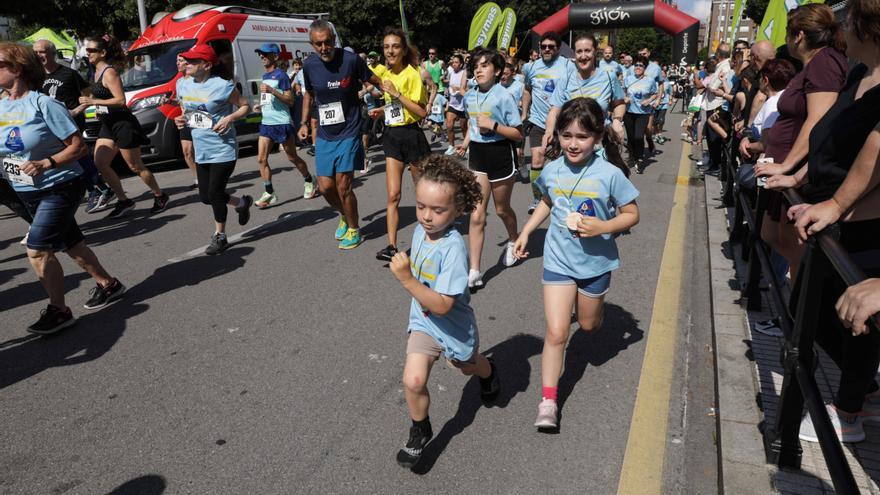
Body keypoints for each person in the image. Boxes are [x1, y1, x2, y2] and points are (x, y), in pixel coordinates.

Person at [765, 0, 880, 443]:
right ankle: (863, 390)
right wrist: (797, 176)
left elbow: (874, 150)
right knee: (813, 310)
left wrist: (836, 206)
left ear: (868, 25)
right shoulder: (857, 74)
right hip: (835, 209)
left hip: (863, 221)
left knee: (855, 319)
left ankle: (849, 410)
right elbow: (826, 135)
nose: (842, 26)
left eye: (849, 19)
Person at [512, 97, 639, 429]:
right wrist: (526, 230)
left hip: (596, 264)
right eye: (567, 135)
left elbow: (632, 214)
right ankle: (548, 402)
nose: (572, 143)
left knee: (587, 325)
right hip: (558, 258)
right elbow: (546, 200)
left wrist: (603, 227)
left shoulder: (610, 175)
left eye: (581, 137)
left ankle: (591, 311)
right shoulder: (552, 169)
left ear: (597, 137)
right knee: (556, 332)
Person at [0, 42, 125, 333]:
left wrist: (48, 162)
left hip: (60, 186)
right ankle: (108, 284)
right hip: (26, 189)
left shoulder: (44, 104)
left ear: (17, 69)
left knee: (38, 249)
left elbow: (79, 147)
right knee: (72, 243)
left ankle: (59, 310)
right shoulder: (2, 105)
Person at [390, 154, 500, 468]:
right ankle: (419, 429)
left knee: (466, 366)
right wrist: (408, 266)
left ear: (459, 210)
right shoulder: (420, 232)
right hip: (424, 322)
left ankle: (488, 371)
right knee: (413, 380)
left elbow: (443, 304)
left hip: (453, 326)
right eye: (421, 206)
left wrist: (407, 278)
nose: (426, 216)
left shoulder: (454, 248)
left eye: (438, 210)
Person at [755, 3, 847, 282]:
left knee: (796, 250)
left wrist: (788, 167)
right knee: (769, 234)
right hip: (784, 168)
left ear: (799, 36)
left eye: (787, 33)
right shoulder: (814, 64)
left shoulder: (825, 63)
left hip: (800, 173)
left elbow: (819, 121)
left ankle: (795, 312)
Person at [299, 20, 382, 249]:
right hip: (326, 133)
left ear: (334, 40)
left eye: (327, 42)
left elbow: (374, 79)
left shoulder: (351, 60)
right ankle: (344, 215)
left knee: (343, 185)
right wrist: (304, 122)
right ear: (311, 44)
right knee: (325, 187)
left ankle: (355, 229)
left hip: (350, 130)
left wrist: (394, 94)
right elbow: (308, 94)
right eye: (318, 44)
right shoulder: (309, 66)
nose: (324, 48)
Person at [453, 48, 523, 288]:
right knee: (476, 213)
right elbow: (473, 125)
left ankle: (514, 240)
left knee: (502, 209)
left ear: (498, 70)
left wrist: (493, 125)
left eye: (485, 65)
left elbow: (518, 134)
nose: (479, 69)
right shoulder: (470, 96)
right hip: (478, 157)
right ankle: (475, 270)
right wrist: (465, 143)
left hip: (501, 154)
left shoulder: (504, 96)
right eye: (476, 66)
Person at [174, 45, 253, 255]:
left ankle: (220, 236)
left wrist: (230, 118)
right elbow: (187, 111)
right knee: (206, 197)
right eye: (187, 60)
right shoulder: (182, 84)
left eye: (192, 61)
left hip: (223, 148)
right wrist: (181, 119)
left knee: (215, 193)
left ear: (207, 65)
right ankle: (241, 203)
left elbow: (246, 106)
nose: (187, 64)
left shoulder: (223, 86)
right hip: (202, 149)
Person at [80, 35, 168, 218]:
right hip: (108, 124)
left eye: (91, 50)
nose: (88, 53)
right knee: (101, 163)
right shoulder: (93, 71)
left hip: (122, 124)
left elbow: (120, 100)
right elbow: (95, 98)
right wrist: (77, 109)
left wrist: (93, 101)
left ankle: (160, 195)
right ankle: (124, 200)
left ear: (102, 53)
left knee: (135, 165)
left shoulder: (109, 72)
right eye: (87, 50)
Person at [367, 28, 431, 261]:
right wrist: (381, 111)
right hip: (392, 136)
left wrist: (396, 94)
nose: (390, 51)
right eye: (386, 47)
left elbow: (420, 111)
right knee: (393, 195)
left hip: (412, 136)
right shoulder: (386, 75)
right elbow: (395, 108)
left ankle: (430, 237)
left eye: (395, 46)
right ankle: (392, 246)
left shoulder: (412, 74)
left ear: (403, 50)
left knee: (422, 195)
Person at [34, 39, 118, 214]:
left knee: (77, 155)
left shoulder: (69, 74)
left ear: (52, 53)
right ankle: (97, 188)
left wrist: (76, 111)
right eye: (35, 52)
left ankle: (98, 189)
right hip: (49, 125)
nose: (38, 55)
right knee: (70, 159)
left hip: (71, 122)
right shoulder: (36, 78)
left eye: (41, 51)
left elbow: (88, 96)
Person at [253, 43, 316, 208]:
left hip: (282, 123)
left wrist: (272, 91)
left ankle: (309, 179)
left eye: (265, 54)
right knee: (261, 159)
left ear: (275, 56)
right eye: (260, 54)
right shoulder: (265, 76)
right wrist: (261, 105)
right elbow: (269, 99)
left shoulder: (281, 76)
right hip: (267, 123)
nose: (261, 57)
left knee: (292, 157)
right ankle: (269, 192)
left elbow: (290, 100)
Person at [522, 31, 575, 214]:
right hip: (538, 120)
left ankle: (562, 197)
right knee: (537, 158)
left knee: (563, 162)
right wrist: (524, 113)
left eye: (550, 47)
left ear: (558, 49)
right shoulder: (531, 67)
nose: (546, 49)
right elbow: (527, 89)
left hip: (562, 123)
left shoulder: (568, 66)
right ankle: (537, 198)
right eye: (543, 46)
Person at [544, 33, 626, 146]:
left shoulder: (608, 77)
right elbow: (554, 110)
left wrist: (617, 120)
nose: (583, 56)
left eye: (587, 50)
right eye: (579, 51)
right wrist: (549, 131)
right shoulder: (566, 78)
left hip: (601, 141)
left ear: (595, 52)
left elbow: (619, 103)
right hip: (573, 143)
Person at [737, 59, 795, 161]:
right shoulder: (789, 98)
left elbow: (765, 144)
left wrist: (746, 146)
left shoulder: (772, 103)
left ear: (766, 81)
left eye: (760, 78)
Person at [623, 54, 659, 173]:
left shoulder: (650, 81)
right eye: (636, 65)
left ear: (645, 68)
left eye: (641, 65)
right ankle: (632, 157)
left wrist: (648, 100)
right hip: (629, 112)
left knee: (638, 136)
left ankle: (639, 158)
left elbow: (656, 93)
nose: (638, 67)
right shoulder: (628, 79)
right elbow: (623, 91)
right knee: (631, 138)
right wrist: (625, 98)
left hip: (643, 113)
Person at [171, 54, 200, 192]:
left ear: (187, 63)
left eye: (181, 61)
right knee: (187, 152)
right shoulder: (179, 82)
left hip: (197, 118)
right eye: (176, 61)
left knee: (200, 150)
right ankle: (198, 180)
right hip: (185, 120)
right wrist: (170, 102)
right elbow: (182, 102)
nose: (177, 63)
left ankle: (207, 176)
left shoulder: (195, 80)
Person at [637, 47, 666, 156]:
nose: (642, 55)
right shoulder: (635, 66)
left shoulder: (655, 68)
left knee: (648, 128)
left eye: (644, 53)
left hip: (650, 101)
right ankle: (637, 152)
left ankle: (649, 139)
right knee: (637, 130)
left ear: (648, 53)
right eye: (640, 54)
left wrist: (659, 98)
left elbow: (661, 83)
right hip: (636, 102)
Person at [443, 54, 468, 155]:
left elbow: (468, 89)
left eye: (456, 62)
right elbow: (448, 84)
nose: (454, 64)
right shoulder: (450, 72)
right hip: (453, 104)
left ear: (461, 64)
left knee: (463, 127)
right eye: (453, 62)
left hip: (463, 105)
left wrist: (458, 89)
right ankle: (451, 146)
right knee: (449, 126)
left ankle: (467, 144)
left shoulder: (464, 73)